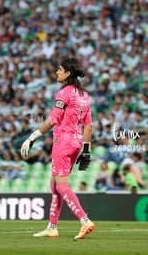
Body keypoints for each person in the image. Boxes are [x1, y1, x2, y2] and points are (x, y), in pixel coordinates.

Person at [20, 57, 95, 240]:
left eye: (60, 70)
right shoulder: (84, 95)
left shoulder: (64, 93)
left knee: (61, 185)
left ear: (68, 73)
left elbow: (53, 119)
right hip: (76, 143)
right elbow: (88, 125)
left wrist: (32, 137)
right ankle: (52, 227)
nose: (57, 72)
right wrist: (86, 149)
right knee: (54, 185)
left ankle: (85, 220)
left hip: (62, 142)